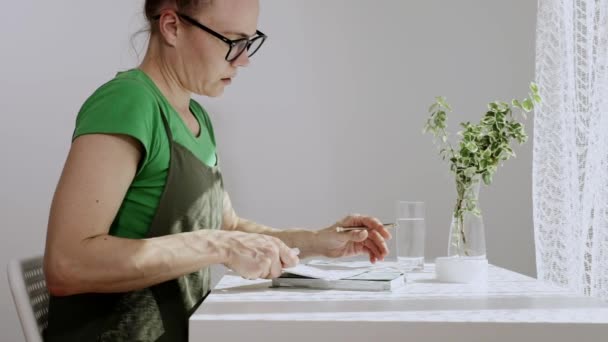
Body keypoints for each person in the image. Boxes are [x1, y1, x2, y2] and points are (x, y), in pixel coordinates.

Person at [42, 0, 391, 341]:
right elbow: (67, 264)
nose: (243, 60)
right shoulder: (128, 102)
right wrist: (218, 244)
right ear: (171, 26)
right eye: (232, 41)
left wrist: (318, 241)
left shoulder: (198, 119)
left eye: (249, 42)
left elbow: (231, 227)